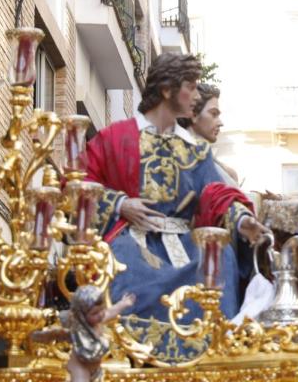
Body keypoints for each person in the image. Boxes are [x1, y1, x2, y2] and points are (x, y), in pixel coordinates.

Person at [83, 53, 270, 363]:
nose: (196, 96)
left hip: (185, 245)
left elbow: (215, 192)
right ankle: (128, 356)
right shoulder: (116, 137)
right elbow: (79, 185)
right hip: (135, 240)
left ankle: (210, 357)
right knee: (120, 258)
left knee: (218, 253)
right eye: (191, 87)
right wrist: (120, 204)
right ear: (169, 90)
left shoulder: (195, 149)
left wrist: (241, 220)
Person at [31, 286, 136, 382]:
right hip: (80, 367)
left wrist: (124, 304)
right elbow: (57, 334)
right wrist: (40, 336)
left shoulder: (98, 322)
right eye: (95, 313)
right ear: (81, 315)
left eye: (101, 310)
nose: (100, 315)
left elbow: (110, 312)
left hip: (95, 368)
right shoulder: (77, 331)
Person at [178, 83, 241, 185]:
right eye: (213, 114)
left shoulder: (203, 155)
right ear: (193, 114)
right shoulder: (188, 157)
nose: (220, 123)